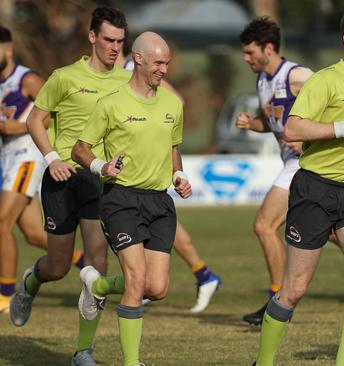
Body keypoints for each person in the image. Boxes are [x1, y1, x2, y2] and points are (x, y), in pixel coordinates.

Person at [238, 16, 344, 325]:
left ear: (269, 48)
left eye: (250, 52)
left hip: (303, 164)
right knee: (329, 231)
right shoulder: (263, 81)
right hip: (304, 167)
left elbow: (333, 100)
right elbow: (277, 124)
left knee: (264, 225)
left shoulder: (299, 75)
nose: (246, 58)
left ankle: (277, 296)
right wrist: (254, 125)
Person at [11, 7, 130, 365]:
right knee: (59, 267)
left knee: (96, 260)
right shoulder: (64, 77)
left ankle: (83, 351)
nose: (114, 47)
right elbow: (35, 120)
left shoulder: (127, 82)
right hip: (61, 178)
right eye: (108, 39)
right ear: (92, 37)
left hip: (99, 179)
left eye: (120, 42)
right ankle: (32, 280)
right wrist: (52, 159)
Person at [71, 31, 190, 366]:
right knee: (136, 280)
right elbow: (79, 148)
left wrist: (178, 175)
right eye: (158, 62)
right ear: (138, 59)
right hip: (120, 199)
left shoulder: (172, 104)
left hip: (160, 202)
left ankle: (98, 286)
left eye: (167, 62)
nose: (164, 69)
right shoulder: (111, 103)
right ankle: (133, 362)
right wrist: (101, 165)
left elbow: (173, 147)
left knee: (157, 287)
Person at [119, 37, 221, 314]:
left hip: (144, 167)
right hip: (116, 170)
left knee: (160, 226)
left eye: (116, 41)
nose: (111, 47)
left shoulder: (131, 70)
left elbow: (175, 101)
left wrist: (152, 129)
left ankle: (114, 285)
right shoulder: (109, 77)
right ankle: (199, 275)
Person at [0, 26, 86, 313]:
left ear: (8, 49)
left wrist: (14, 127)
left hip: (27, 156)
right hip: (9, 157)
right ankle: (81, 261)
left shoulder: (28, 79)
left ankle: (6, 293)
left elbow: (49, 114)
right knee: (35, 235)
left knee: (1, 224)